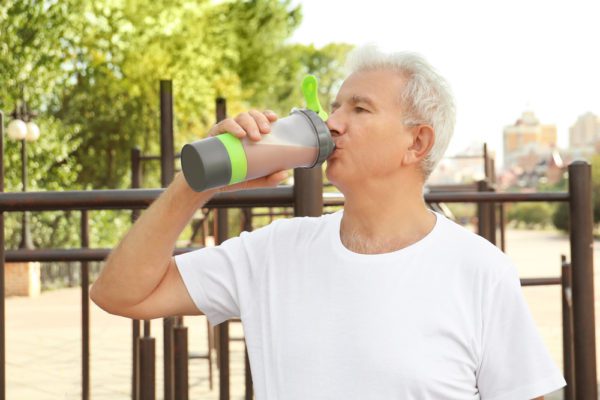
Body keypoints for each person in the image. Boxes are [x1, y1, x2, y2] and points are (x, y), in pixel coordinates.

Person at [90, 45, 566, 399]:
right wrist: (195, 185)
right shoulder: (273, 251)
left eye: (359, 108)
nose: (334, 122)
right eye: (335, 107)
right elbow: (118, 294)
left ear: (417, 144)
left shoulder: (479, 270)